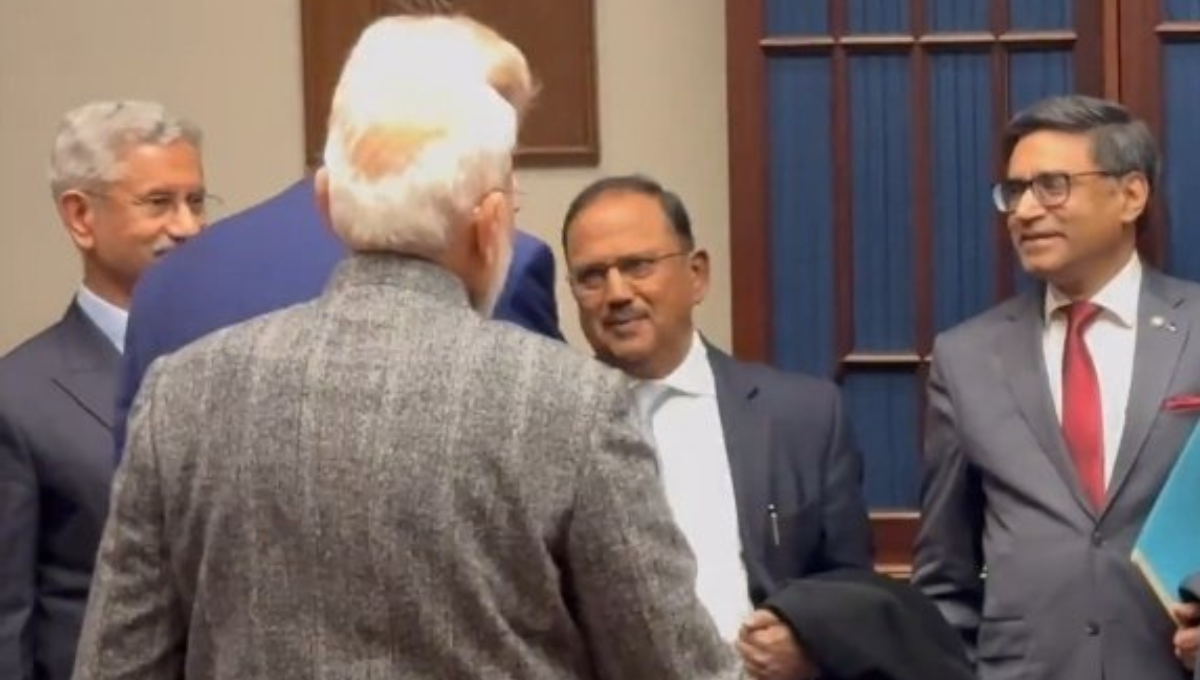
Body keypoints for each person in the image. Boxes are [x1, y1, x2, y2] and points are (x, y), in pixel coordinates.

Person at [71, 16, 736, 680]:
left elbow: (116, 664)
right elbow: (678, 667)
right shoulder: (574, 406)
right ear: (490, 226)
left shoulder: (182, 393)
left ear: (328, 205)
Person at [113, 7, 562, 458]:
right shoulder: (511, 267)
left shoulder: (168, 281)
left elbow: (135, 490)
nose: (513, 189)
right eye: (501, 154)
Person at [913, 94, 1200, 680]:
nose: (1024, 211)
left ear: (1130, 195)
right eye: (1014, 191)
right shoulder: (967, 357)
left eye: (1051, 186)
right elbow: (944, 573)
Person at [561, 174, 875, 680]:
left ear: (697, 275)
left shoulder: (804, 417)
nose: (616, 293)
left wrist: (809, 644)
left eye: (638, 266)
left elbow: (852, 588)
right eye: (592, 276)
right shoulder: (551, 429)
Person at [0, 100, 206, 680]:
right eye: (159, 203)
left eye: (196, 201)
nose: (187, 228)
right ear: (81, 217)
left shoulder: (232, 362)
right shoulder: (17, 399)